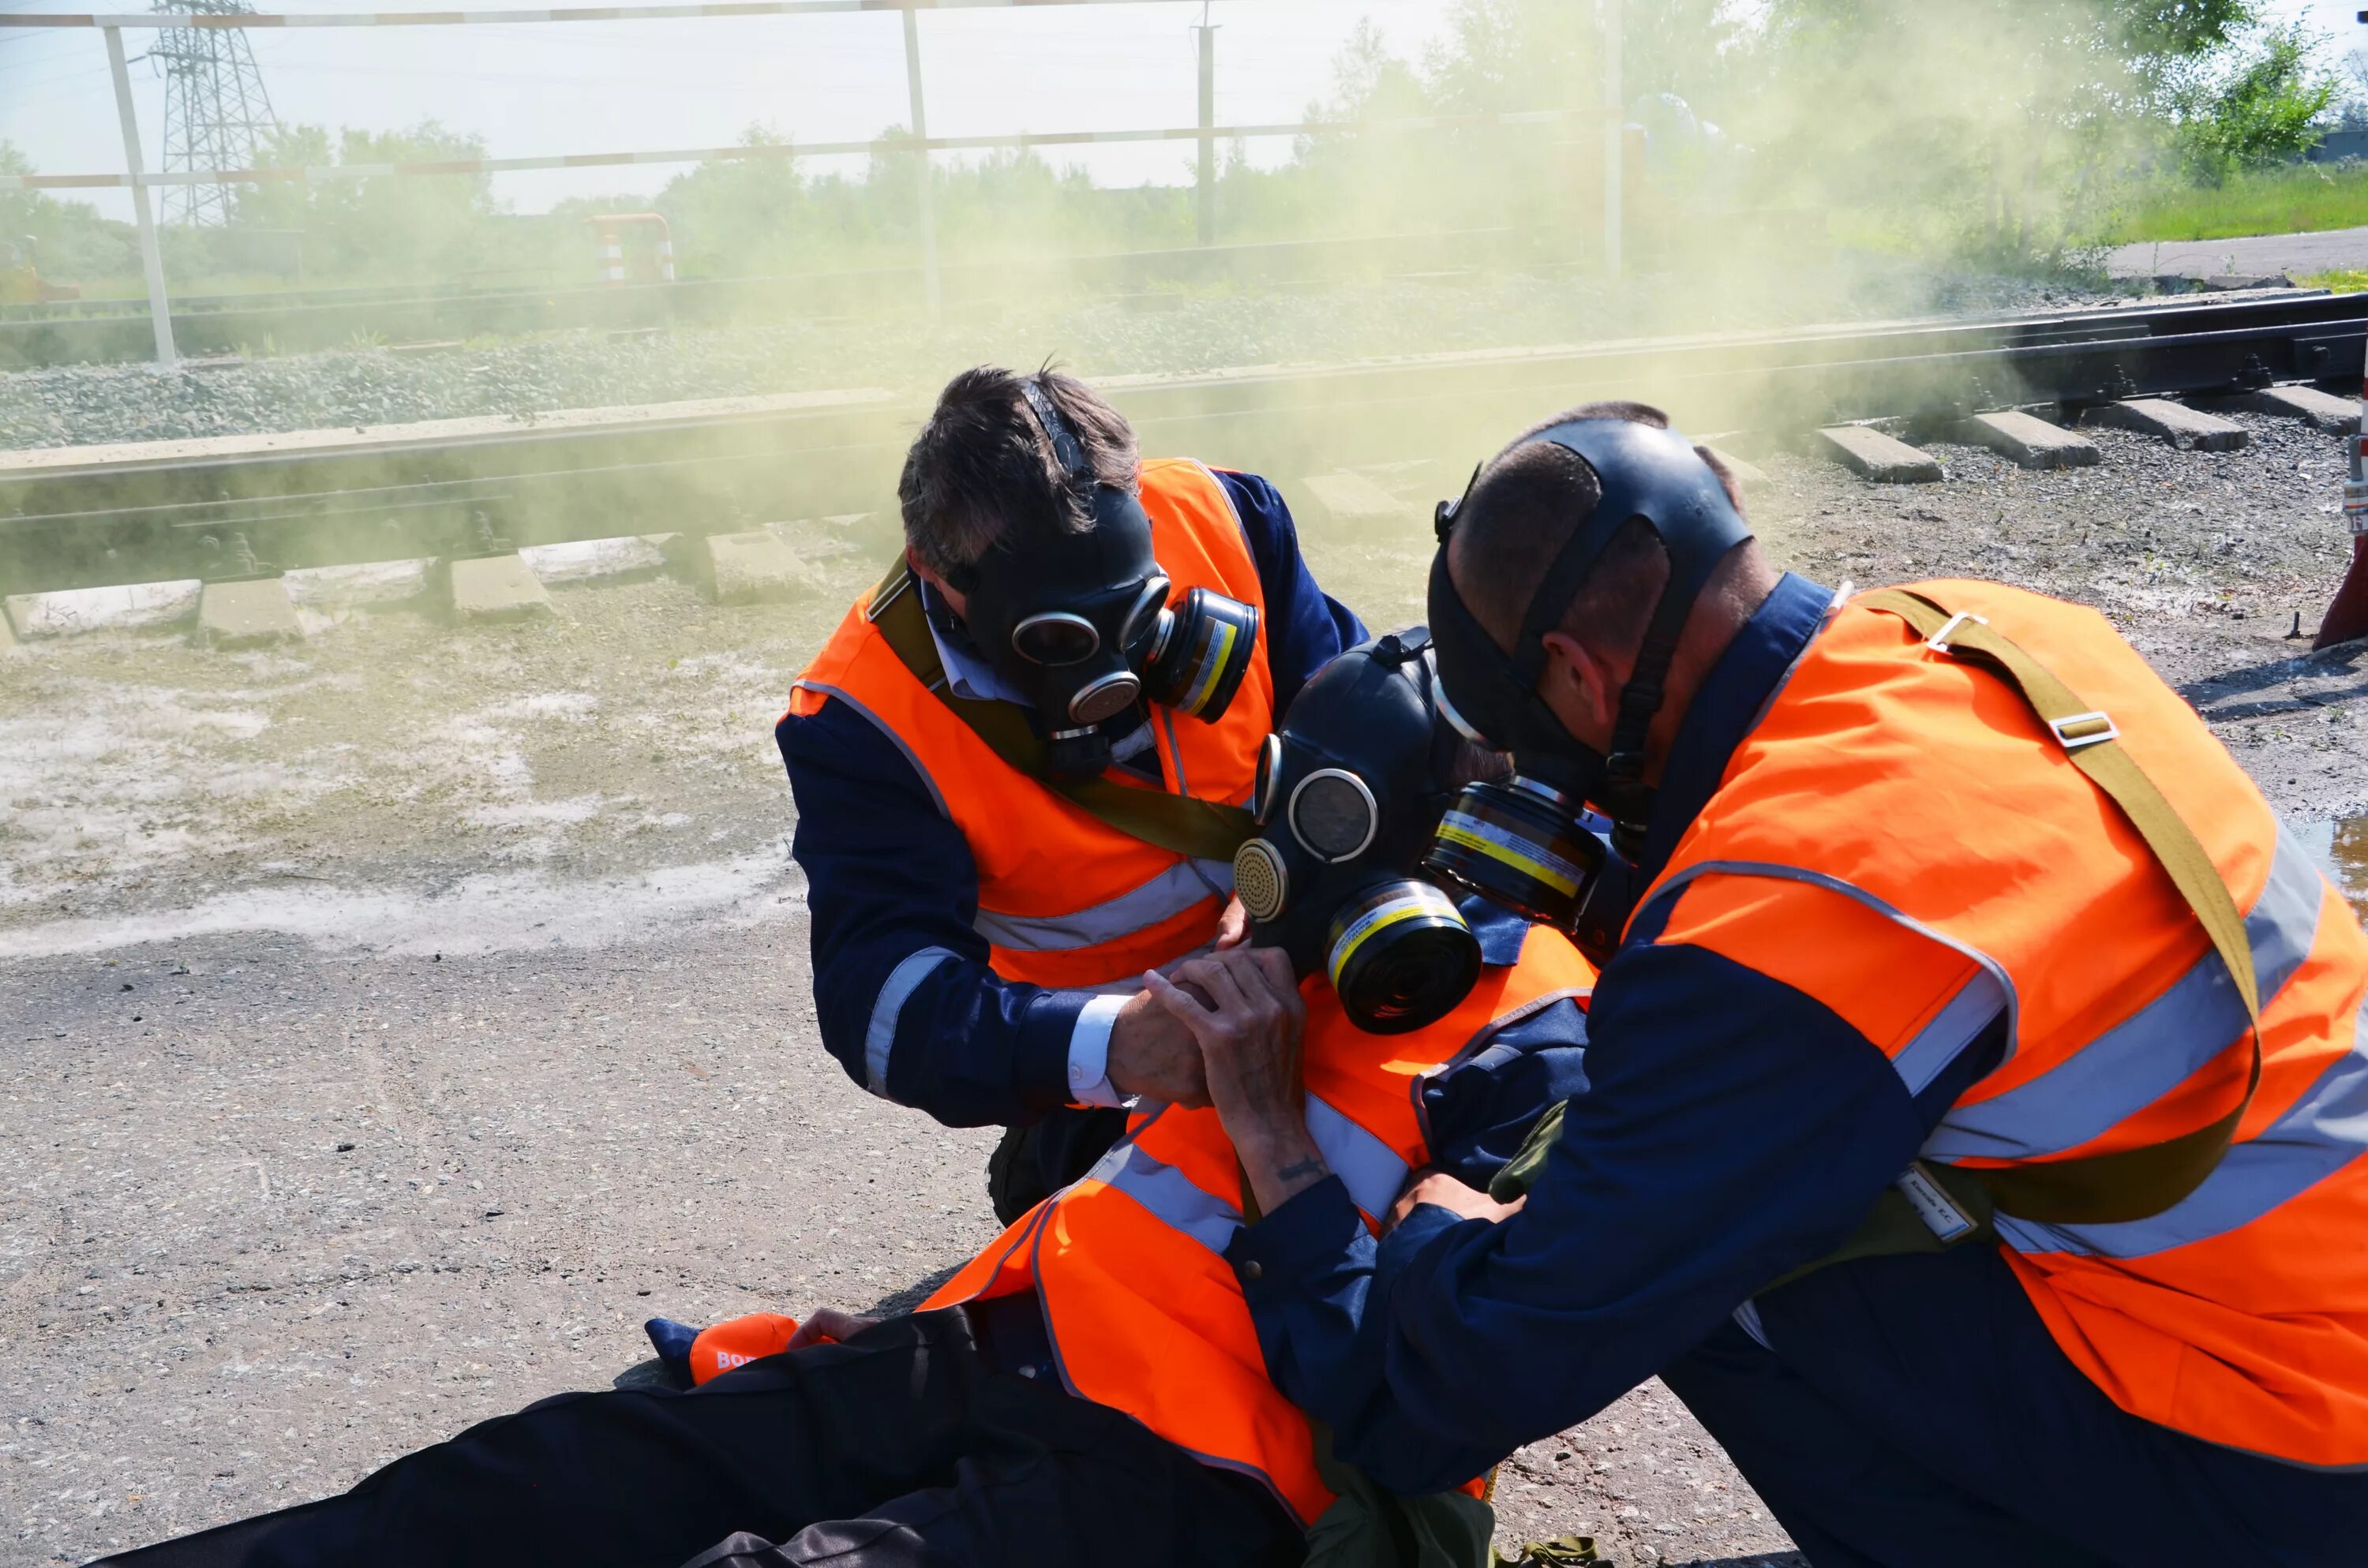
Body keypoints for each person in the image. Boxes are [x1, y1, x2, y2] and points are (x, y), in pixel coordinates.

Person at [101, 633, 1595, 1568]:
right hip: (999, 1349)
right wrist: (912, 1321)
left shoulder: (1541, 1035)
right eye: (1281, 821)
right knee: (520, 1489)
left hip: (1207, 1482)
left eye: (1323, 841)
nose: (1267, 887)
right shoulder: (1305, 948)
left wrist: (1271, 1129)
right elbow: (1120, 1216)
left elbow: (1417, 1398)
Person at [1180, 402, 2368, 1568]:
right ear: (1729, 510)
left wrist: (1326, 1173)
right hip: (2312, 1275)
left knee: (1723, 1277)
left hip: (2296, 1455)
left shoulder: (1783, 915)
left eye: (1544, 740)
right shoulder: (1978, 625)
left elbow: (1479, 1370)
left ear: (1583, 677)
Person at [778, 365, 1362, 1219]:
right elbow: (880, 1004)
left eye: (1136, 614)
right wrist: (1119, 1045)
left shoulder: (1227, 520)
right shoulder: (864, 724)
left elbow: (1363, 722)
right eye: (1057, 637)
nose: (1113, 671)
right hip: (1130, 1079)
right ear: (936, 573)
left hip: (1323, 973)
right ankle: (1058, 1144)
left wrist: (1297, 872)